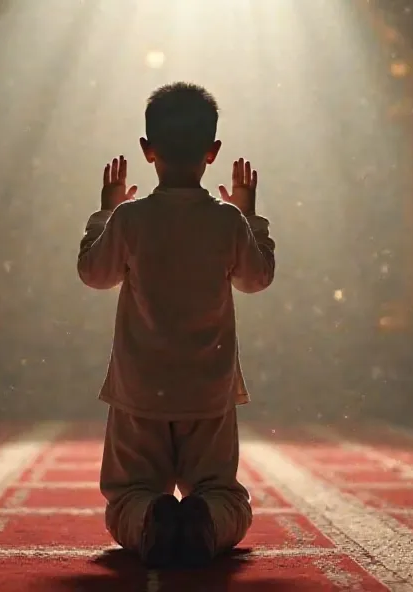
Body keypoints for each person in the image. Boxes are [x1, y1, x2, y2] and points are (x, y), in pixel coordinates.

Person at [76, 82, 276, 568]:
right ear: (213, 152)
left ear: (148, 151)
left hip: (140, 391)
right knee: (224, 494)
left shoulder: (129, 219)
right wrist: (251, 218)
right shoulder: (227, 221)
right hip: (207, 393)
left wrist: (105, 212)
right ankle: (206, 519)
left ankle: (152, 517)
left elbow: (93, 273)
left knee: (128, 496)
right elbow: (257, 278)